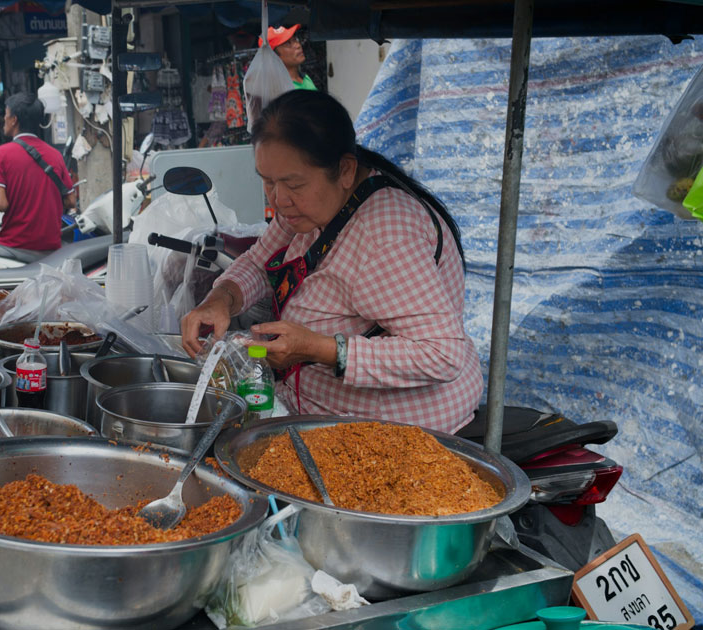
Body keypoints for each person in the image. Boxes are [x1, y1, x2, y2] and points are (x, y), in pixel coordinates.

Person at [180, 91, 483, 433]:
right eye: (267, 182)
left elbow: (442, 354)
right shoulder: (306, 207)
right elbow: (258, 263)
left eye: (293, 184)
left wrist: (317, 348)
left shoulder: (383, 234)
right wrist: (222, 300)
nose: (278, 200)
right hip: (312, 406)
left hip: (395, 428)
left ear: (345, 170)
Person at [0, 93, 76, 251]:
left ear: (14, 120)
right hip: (51, 246)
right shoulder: (55, 155)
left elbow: (0, 203)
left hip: (14, 245)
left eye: (6, 115)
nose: (4, 120)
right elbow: (71, 201)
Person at [260, 25, 317, 91]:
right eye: (287, 44)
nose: (298, 45)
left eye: (295, 39)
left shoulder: (305, 78)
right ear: (274, 56)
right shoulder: (278, 89)